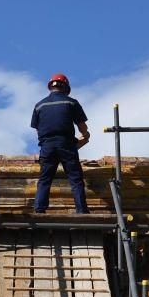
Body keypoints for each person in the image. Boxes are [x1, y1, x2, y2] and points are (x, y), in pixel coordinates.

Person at [31, 73, 90, 214]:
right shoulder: (71, 102)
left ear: (50, 87)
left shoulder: (39, 105)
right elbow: (82, 126)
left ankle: (39, 211)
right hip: (66, 145)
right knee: (75, 179)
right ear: (66, 88)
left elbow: (38, 129)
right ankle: (82, 211)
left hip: (47, 146)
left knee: (44, 180)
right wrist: (85, 136)